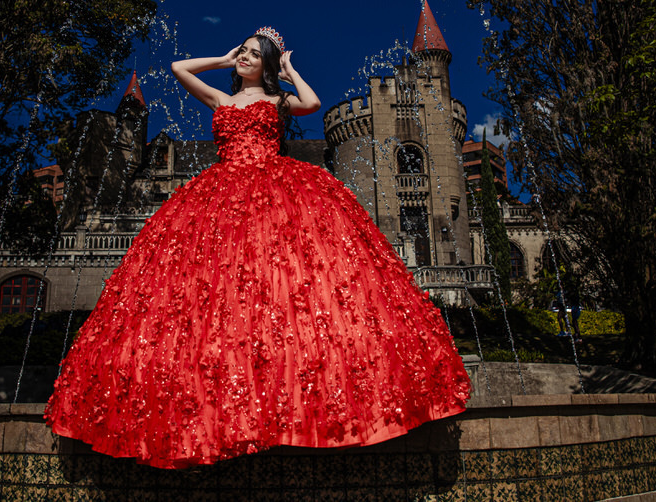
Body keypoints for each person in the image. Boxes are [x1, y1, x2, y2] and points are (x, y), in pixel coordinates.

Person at [45, 29, 471, 468]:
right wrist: (225, 59)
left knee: (286, 285)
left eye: (253, 54)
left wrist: (286, 70)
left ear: (266, 64)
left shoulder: (276, 101)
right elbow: (179, 69)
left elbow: (311, 102)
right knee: (221, 290)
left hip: (277, 192)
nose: (246, 58)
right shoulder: (221, 101)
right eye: (244, 52)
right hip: (221, 198)